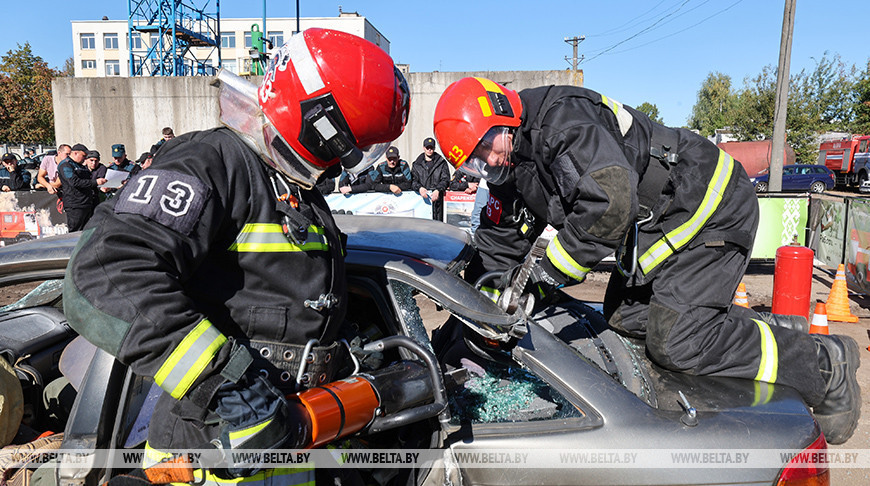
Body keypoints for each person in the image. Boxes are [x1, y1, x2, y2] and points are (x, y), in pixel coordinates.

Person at [63, 28, 409, 483]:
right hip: (206, 453)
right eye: (348, 146)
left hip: (285, 445)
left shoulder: (293, 188)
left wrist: (345, 351)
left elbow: (281, 301)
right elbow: (104, 276)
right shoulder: (210, 163)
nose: (345, 164)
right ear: (316, 120)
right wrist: (232, 385)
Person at [433, 77, 861, 445]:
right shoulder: (511, 161)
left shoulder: (561, 121)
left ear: (503, 113)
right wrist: (475, 303)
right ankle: (772, 332)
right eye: (475, 160)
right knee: (624, 319)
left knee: (677, 341)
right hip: (662, 226)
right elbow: (497, 244)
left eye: (486, 146)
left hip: (708, 204)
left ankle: (823, 365)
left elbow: (610, 205)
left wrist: (546, 274)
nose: (488, 161)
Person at [56, 144, 107, 231]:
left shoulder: (81, 166)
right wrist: (95, 182)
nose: (84, 158)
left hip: (87, 203)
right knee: (75, 232)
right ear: (75, 153)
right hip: (75, 204)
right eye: (83, 156)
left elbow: (88, 181)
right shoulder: (66, 165)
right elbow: (74, 182)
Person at [411, 137, 450, 221]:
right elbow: (413, 180)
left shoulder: (441, 163)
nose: (429, 150)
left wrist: (438, 190)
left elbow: (445, 179)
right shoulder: (416, 164)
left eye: (431, 148)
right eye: (427, 148)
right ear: (423, 148)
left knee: (438, 226)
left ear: (434, 148)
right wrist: (420, 188)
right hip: (422, 201)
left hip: (438, 202)